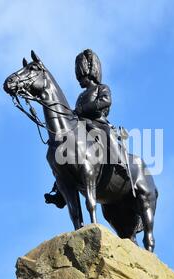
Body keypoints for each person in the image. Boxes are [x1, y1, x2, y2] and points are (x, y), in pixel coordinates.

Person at [44, 49, 118, 208]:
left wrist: (82, 111)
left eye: (81, 76)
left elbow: (105, 102)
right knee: (66, 152)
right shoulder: (80, 95)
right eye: (78, 77)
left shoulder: (102, 88)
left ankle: (120, 162)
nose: (79, 80)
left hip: (98, 123)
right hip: (81, 125)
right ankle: (60, 191)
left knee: (108, 134)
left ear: (90, 73)